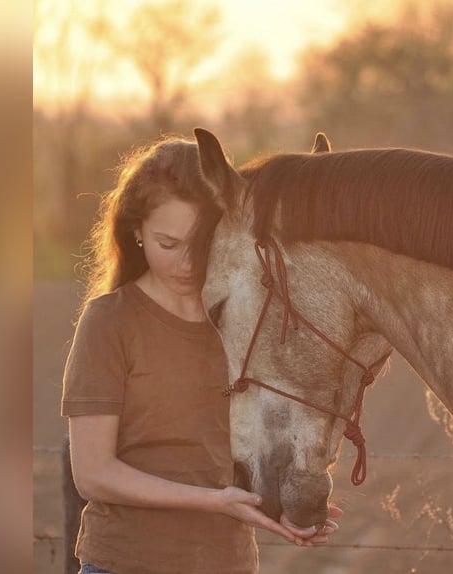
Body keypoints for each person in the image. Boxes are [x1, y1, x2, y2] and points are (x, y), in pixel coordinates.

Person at [61, 136, 340, 574]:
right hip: (123, 564)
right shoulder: (109, 322)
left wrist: (282, 507)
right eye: (167, 244)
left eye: (202, 242)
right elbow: (93, 473)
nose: (187, 263)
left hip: (227, 565)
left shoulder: (246, 325)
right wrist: (214, 503)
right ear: (136, 231)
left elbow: (245, 452)